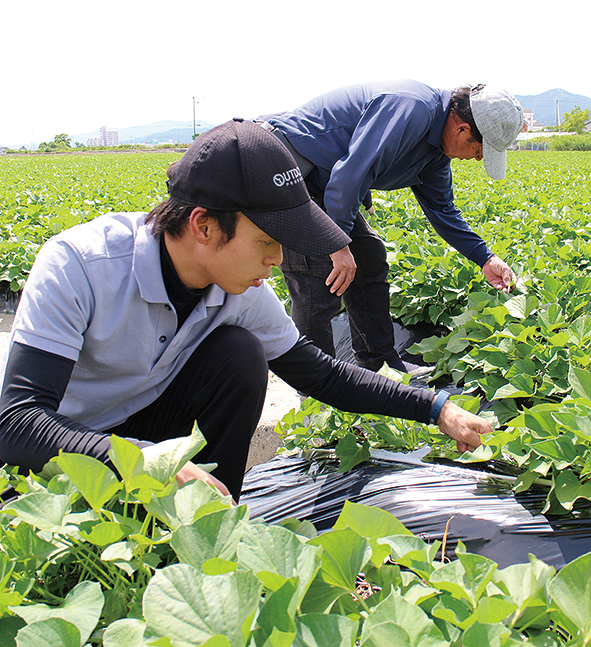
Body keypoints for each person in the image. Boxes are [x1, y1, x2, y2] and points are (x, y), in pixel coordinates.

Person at [0, 119, 491, 503]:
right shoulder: (80, 265)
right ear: (204, 226)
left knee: (239, 353)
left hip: (142, 435)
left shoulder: (239, 286)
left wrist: (434, 408)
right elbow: (17, 422)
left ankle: (213, 521)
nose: (277, 259)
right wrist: (144, 462)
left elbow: (320, 374)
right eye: (266, 241)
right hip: (54, 452)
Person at [257, 80, 525, 373]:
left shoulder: (435, 153)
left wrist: (485, 257)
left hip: (324, 181)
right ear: (462, 129)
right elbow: (350, 176)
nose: (477, 159)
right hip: (288, 169)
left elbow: (442, 210)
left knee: (369, 255)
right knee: (317, 274)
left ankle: (381, 365)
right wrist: (337, 244)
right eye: (479, 150)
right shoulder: (412, 109)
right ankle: (315, 391)